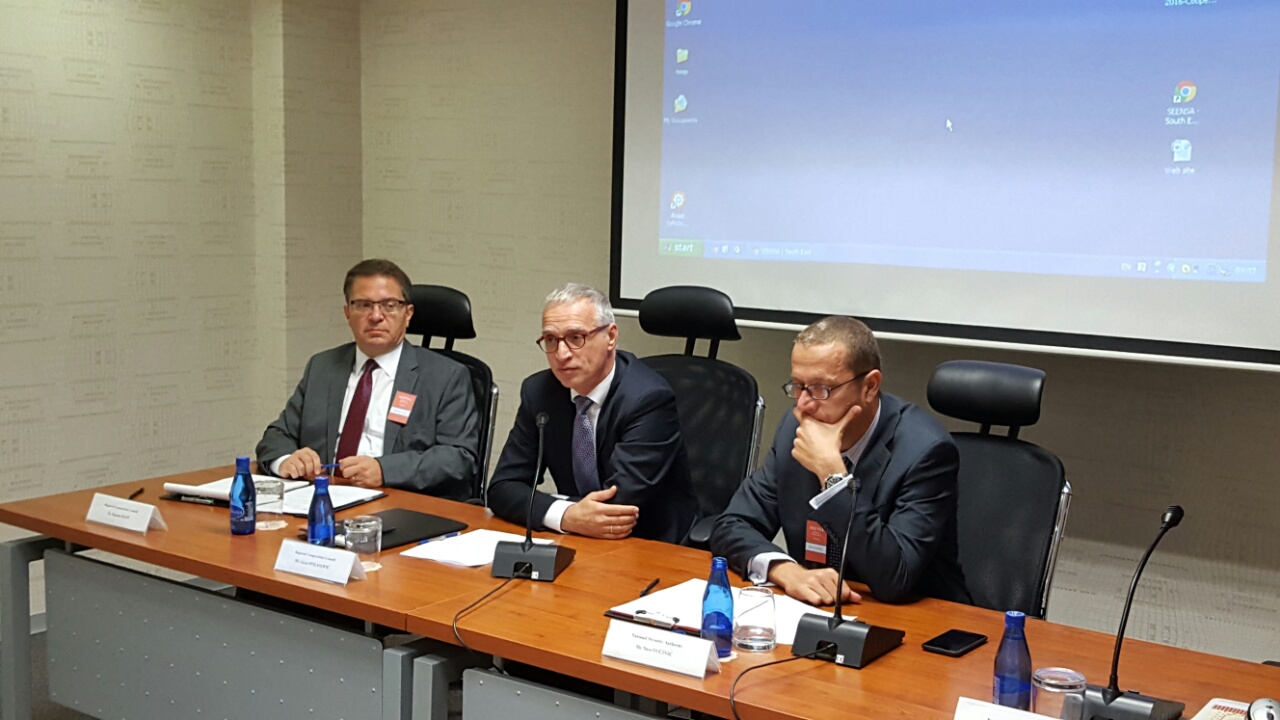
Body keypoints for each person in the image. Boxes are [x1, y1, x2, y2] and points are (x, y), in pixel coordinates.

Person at [710, 316, 969, 605]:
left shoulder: (925, 451)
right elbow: (731, 525)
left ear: (869, 387)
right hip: (820, 611)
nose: (803, 404)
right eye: (798, 386)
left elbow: (895, 577)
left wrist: (833, 477)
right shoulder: (794, 430)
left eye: (822, 389)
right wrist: (786, 571)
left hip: (920, 623)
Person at [487, 283, 697, 544]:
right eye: (551, 340)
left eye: (576, 338)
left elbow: (615, 507)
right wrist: (566, 515)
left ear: (610, 337)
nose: (561, 354)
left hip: (650, 545)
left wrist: (561, 512)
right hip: (577, 540)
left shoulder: (648, 398)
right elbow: (502, 488)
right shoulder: (539, 392)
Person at [256, 259, 479, 500]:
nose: (375, 316)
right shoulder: (322, 367)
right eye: (363, 305)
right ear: (347, 313)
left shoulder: (446, 376)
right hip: (319, 501)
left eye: (389, 305)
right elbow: (277, 435)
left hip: (403, 506)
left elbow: (458, 458)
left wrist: (385, 470)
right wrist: (287, 460)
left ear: (408, 314)